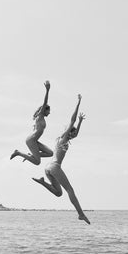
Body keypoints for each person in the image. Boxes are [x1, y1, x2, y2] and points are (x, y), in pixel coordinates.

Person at [32, 94, 90, 224]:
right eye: (73, 133)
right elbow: (72, 120)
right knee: (70, 190)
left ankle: (42, 182)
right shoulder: (63, 137)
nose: (74, 135)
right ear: (69, 132)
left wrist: (80, 122)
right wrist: (78, 103)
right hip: (54, 166)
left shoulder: (64, 140)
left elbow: (76, 132)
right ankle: (80, 214)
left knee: (59, 193)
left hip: (48, 168)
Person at [10, 80, 54, 165]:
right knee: (37, 162)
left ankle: (31, 155)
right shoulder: (40, 116)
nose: (49, 112)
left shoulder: (41, 118)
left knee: (50, 153)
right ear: (44, 110)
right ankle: (18, 152)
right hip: (31, 140)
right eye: (48, 111)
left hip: (35, 141)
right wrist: (47, 90)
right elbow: (45, 103)